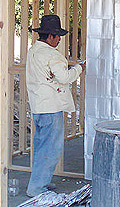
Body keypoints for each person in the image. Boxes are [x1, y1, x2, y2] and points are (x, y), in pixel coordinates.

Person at [25, 14, 85, 197]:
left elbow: (50, 74)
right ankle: (37, 189)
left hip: (39, 107)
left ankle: (40, 183)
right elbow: (65, 77)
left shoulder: (34, 51)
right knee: (51, 149)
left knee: (43, 147)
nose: (59, 39)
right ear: (50, 36)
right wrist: (80, 68)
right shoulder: (52, 54)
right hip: (51, 108)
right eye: (57, 36)